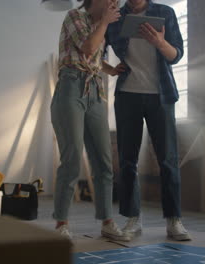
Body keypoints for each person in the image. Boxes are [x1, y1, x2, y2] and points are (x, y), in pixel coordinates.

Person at [105, 0, 191, 241]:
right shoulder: (115, 17)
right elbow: (94, 52)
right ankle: (133, 219)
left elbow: (176, 55)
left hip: (161, 96)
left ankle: (174, 220)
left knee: (168, 159)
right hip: (127, 96)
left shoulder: (164, 13)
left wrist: (159, 42)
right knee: (127, 160)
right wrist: (110, 69)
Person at [50, 0, 129, 241]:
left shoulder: (98, 25)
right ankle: (61, 223)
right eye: (111, 0)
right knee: (72, 158)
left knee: (104, 162)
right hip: (70, 88)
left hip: (95, 91)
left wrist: (110, 69)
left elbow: (93, 56)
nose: (114, 3)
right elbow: (87, 48)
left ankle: (106, 221)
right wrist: (105, 22)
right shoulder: (75, 16)